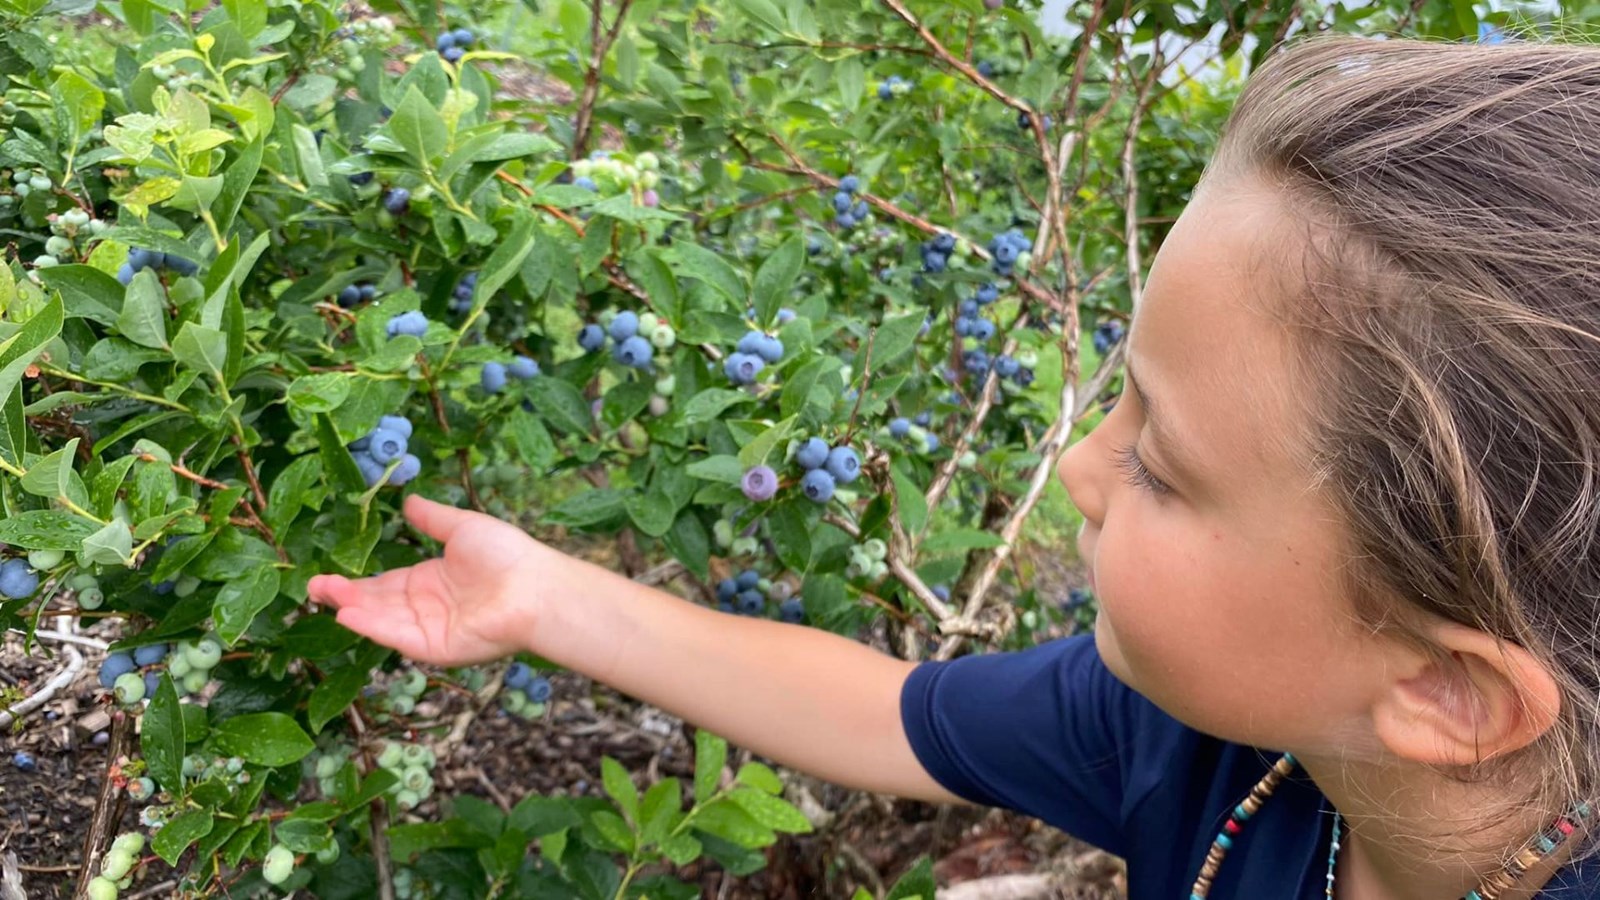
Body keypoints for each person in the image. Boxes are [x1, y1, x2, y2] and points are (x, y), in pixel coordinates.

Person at [309, 33, 1600, 899]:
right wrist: (543, 596)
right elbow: (893, 715)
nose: (1082, 469)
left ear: (1448, 692)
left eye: (1160, 468)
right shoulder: (1224, 744)